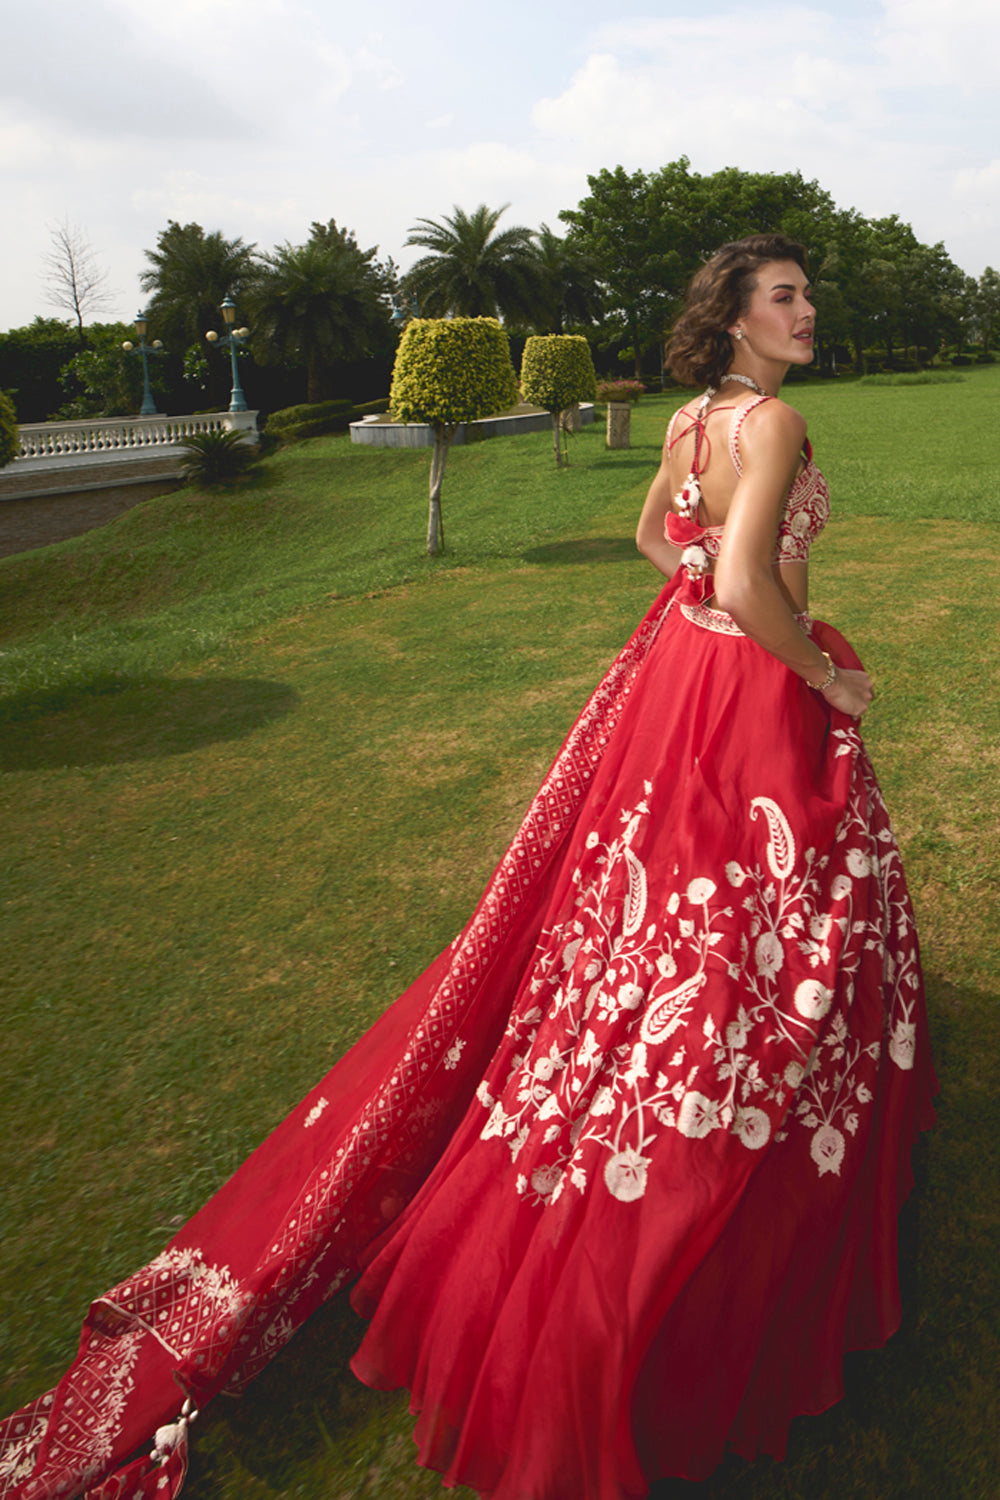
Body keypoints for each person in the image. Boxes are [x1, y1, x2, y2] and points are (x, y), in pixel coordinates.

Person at [0, 235, 935, 1500]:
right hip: (754, 681)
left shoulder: (689, 423)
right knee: (759, 916)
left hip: (679, 671)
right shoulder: (768, 421)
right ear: (733, 319)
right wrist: (828, 674)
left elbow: (656, 549)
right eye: (788, 297)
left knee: (646, 907)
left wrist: (701, 590)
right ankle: (720, 1163)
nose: (808, 312)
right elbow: (764, 579)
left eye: (806, 297)